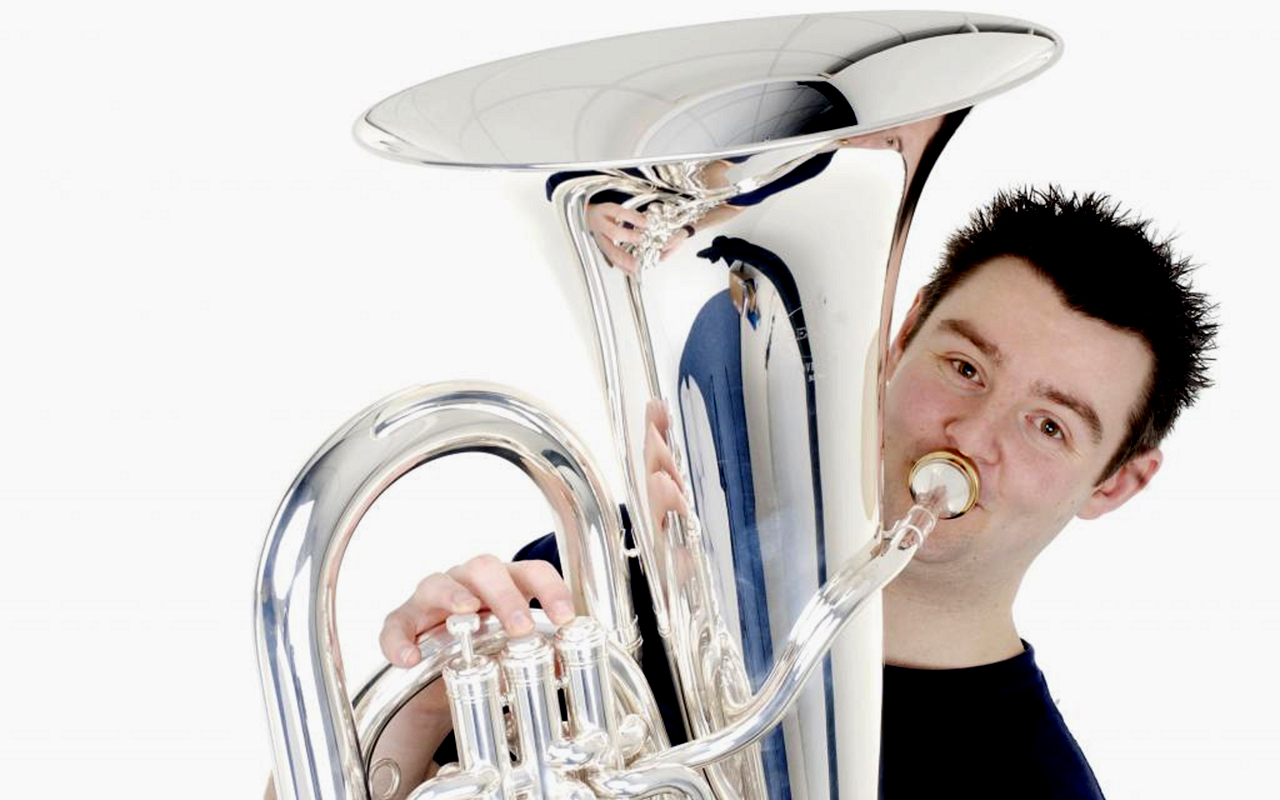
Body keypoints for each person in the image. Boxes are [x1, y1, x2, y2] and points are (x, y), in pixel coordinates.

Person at [368, 186, 1217, 798]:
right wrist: (420, 712)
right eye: (964, 368)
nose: (971, 436)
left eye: (1049, 426)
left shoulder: (1038, 789)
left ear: (1117, 483)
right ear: (902, 334)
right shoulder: (609, 583)